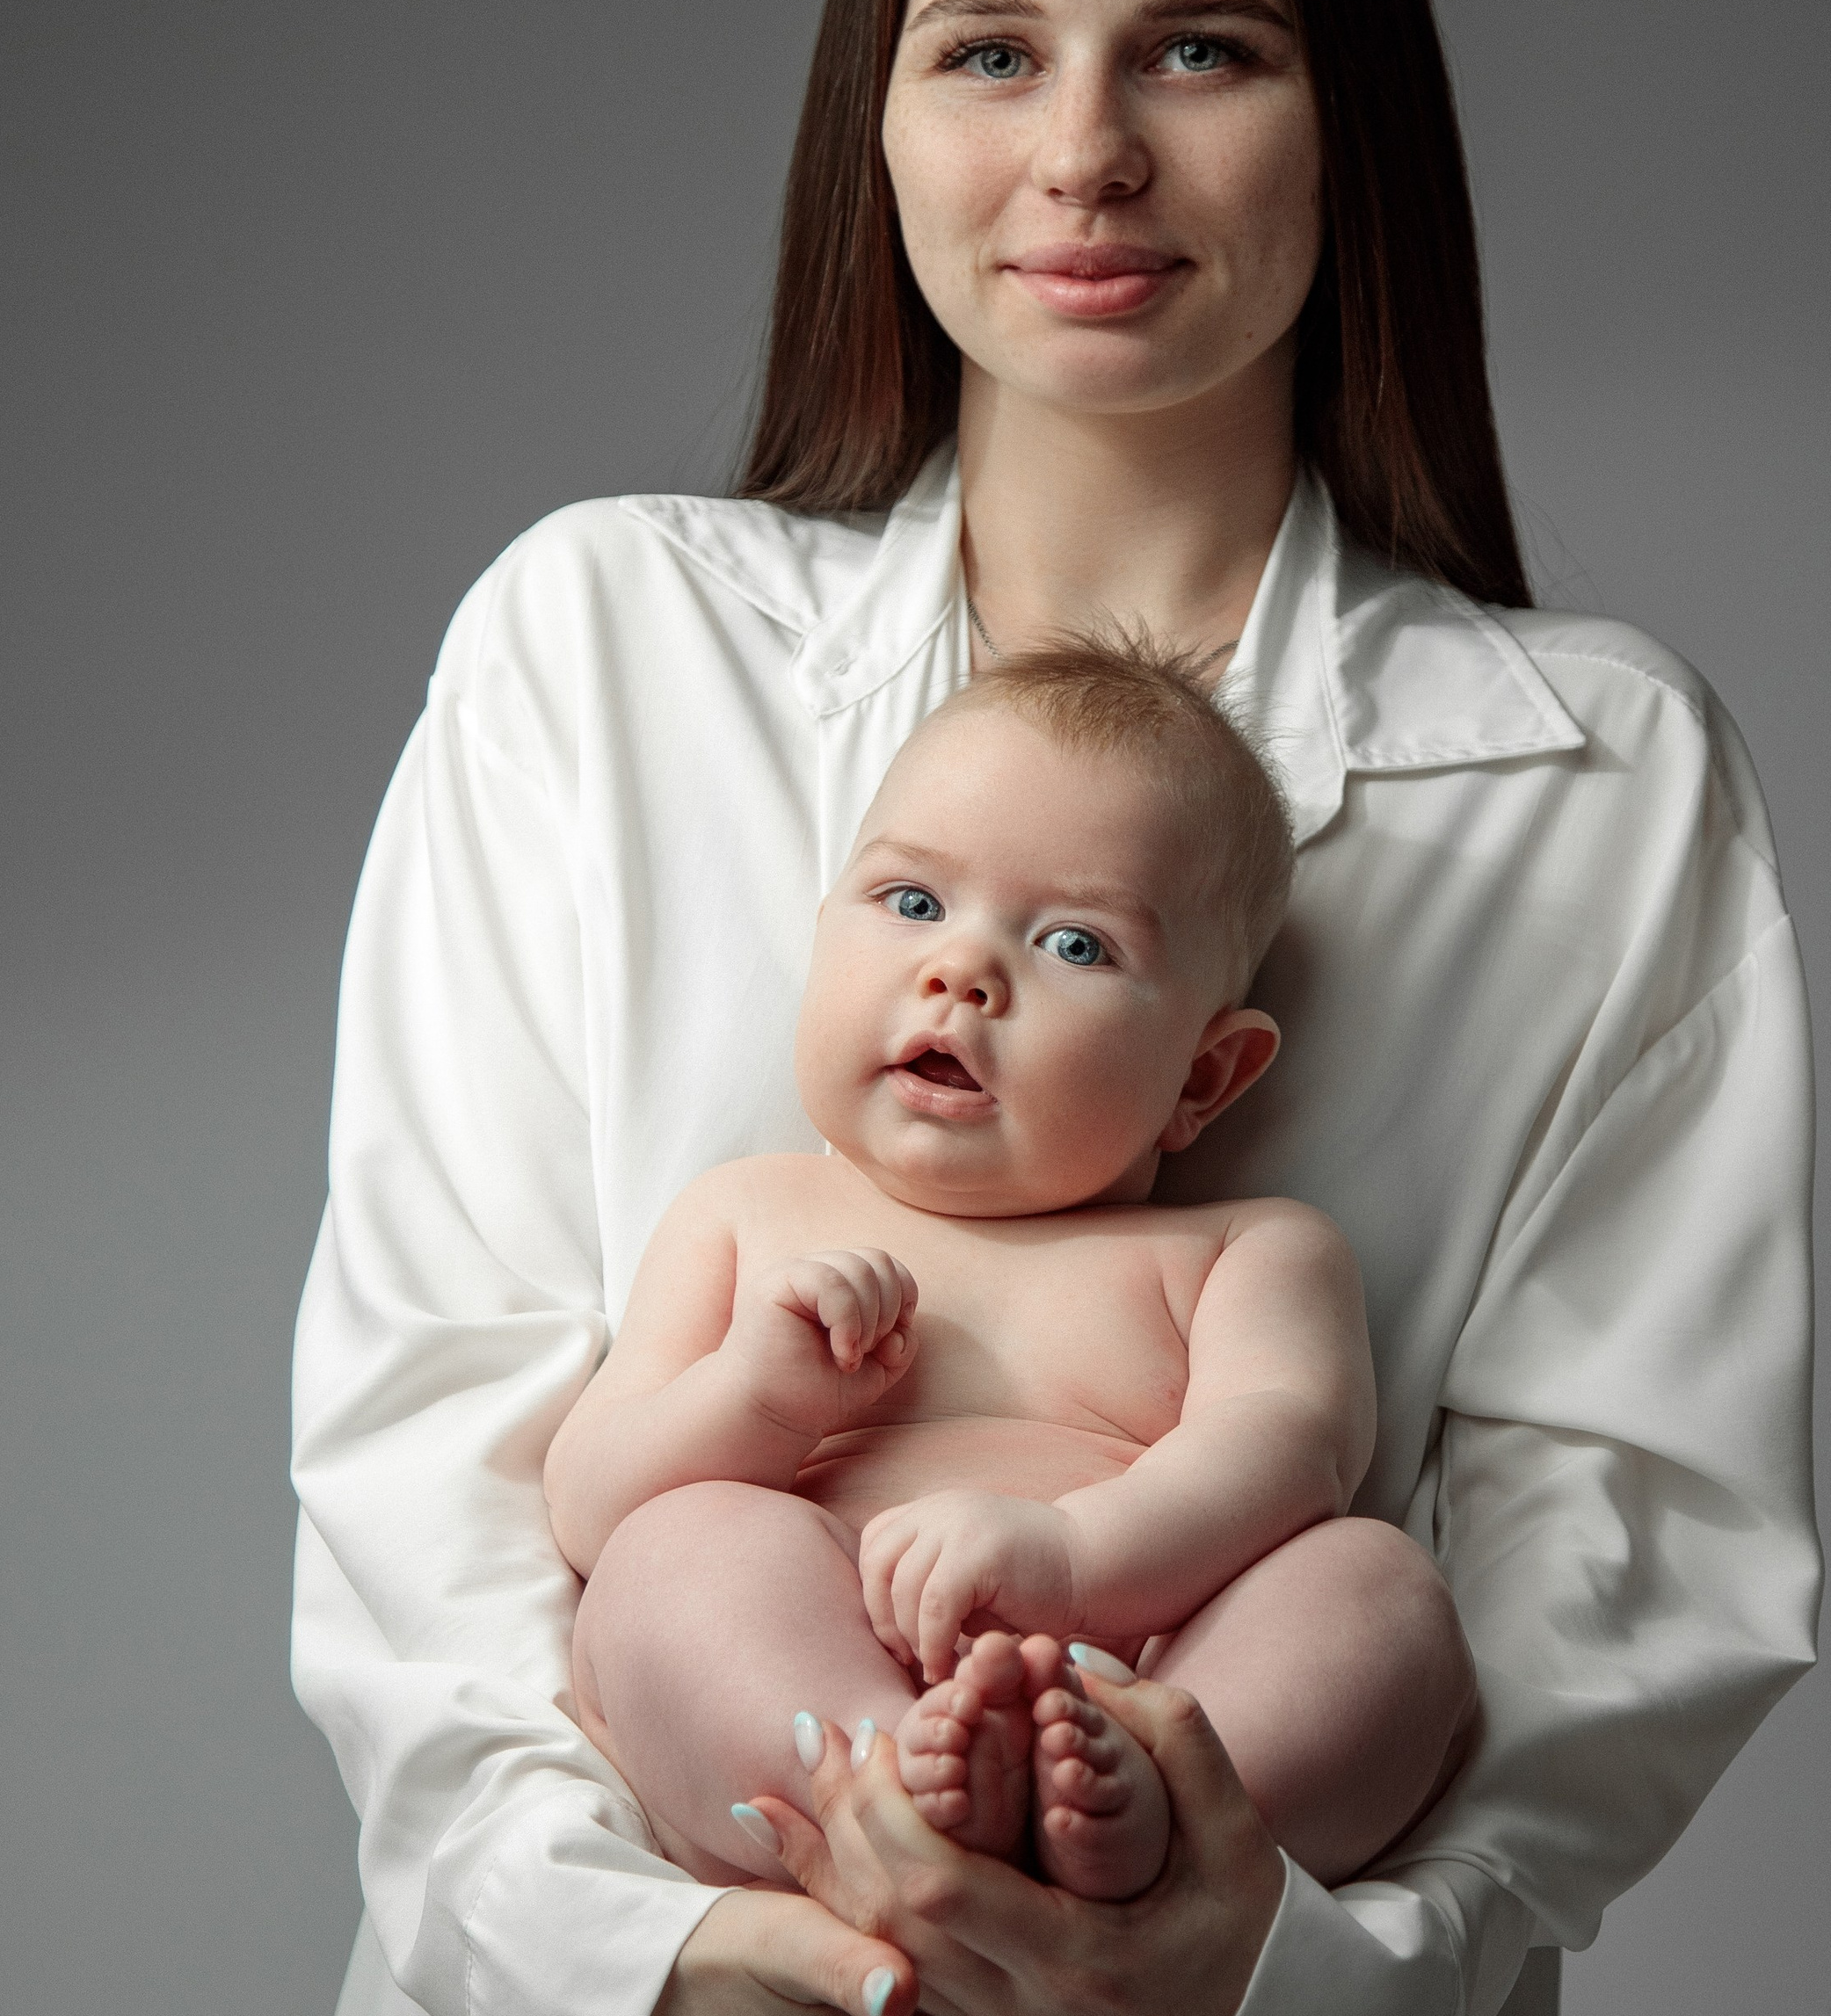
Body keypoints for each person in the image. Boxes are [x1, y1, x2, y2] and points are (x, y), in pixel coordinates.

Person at [232, 0, 1819, 2016]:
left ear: (1358, 125)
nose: (1082, 151)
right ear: (883, 122)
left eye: (1199, 48)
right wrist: (660, 1996)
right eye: (989, 53)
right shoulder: (604, 659)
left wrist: (1225, 2003)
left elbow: (1630, 1579)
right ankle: (857, 1815)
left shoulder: (1596, 783)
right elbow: (427, 1459)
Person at [552, 642, 1478, 1933]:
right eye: (913, 904)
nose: (963, 972)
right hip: (821, 1655)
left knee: (1376, 1591)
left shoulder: (1245, 1252)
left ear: (1204, 1080)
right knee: (675, 1555)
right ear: (824, 937)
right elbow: (593, 1506)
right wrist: (757, 1400)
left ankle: (1168, 1813)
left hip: (1134, 1682)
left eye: (1074, 943)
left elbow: (1290, 1453)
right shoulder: (747, 1214)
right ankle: (890, 1787)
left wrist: (1076, 1555)